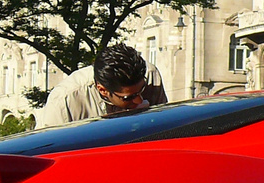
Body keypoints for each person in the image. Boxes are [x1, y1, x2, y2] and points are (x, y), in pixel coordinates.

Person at [36, 43, 168, 128]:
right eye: (128, 97)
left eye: (142, 90)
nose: (139, 100)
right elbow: (48, 151)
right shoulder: (65, 100)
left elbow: (166, 128)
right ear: (103, 90)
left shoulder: (150, 74)